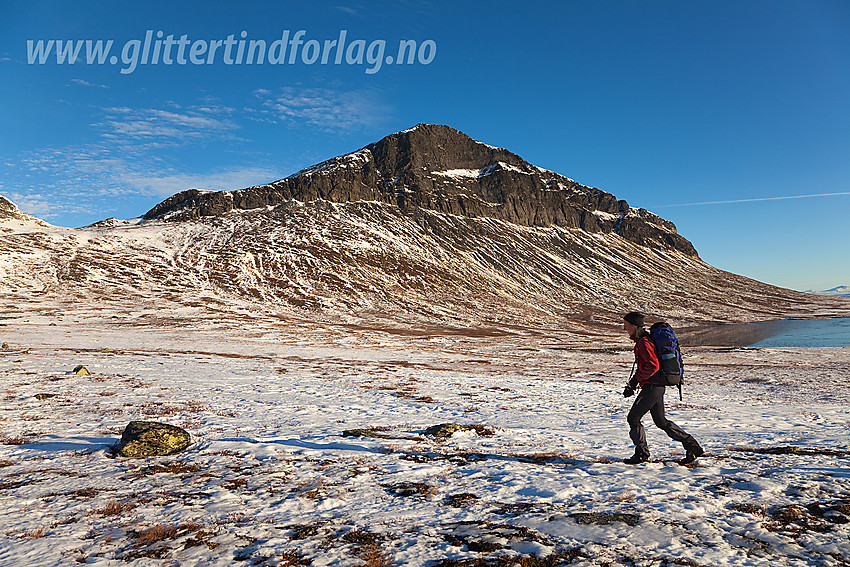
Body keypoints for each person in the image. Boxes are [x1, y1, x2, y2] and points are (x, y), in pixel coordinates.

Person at [621, 311, 704, 465]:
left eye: (626, 325)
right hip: (656, 386)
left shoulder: (644, 343)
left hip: (653, 387)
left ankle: (641, 454)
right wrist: (633, 383)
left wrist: (634, 382)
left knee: (633, 418)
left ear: (634, 325)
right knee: (661, 421)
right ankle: (693, 446)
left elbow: (653, 365)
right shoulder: (644, 341)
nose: (624, 329)